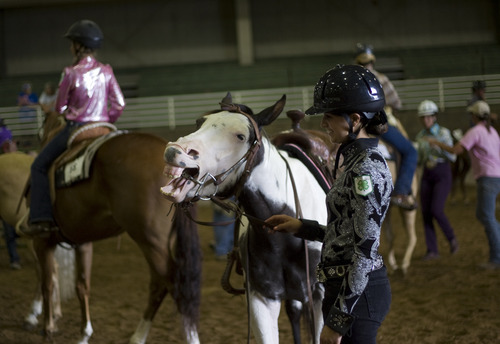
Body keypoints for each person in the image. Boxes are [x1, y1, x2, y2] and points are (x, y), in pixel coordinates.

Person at [265, 64, 392, 344]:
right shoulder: (356, 164)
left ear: (355, 119)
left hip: (357, 296)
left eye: (330, 117)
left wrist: (337, 320)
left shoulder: (365, 171)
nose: (323, 124)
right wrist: (303, 227)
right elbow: (349, 233)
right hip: (346, 289)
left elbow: (364, 249)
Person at [21, 19, 125, 237]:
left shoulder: (70, 72)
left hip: (77, 129)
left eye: (71, 43)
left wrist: (73, 111)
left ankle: (41, 218)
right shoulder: (106, 70)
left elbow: (60, 106)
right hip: (105, 128)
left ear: (78, 45)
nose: (70, 47)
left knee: (39, 166)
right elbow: (119, 104)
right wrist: (107, 119)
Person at [428, 100, 500, 270]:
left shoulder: (475, 131)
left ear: (474, 116)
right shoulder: (492, 132)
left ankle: (496, 257)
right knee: (484, 215)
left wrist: (436, 143)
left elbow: (456, 150)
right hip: (496, 176)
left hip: (487, 177)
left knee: (487, 217)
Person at [354, 43, 418, 210]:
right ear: (372, 62)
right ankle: (402, 192)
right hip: (379, 124)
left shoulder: (352, 81)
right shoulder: (381, 79)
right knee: (411, 151)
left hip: (357, 125)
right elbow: (396, 102)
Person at [415, 100, 459, 260]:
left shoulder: (444, 133)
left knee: (437, 209)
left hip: (442, 172)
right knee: (426, 212)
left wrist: (438, 145)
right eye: (423, 117)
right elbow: (419, 159)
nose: (426, 120)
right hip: (427, 172)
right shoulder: (420, 136)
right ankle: (432, 250)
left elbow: (453, 156)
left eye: (428, 117)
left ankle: (452, 238)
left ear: (434, 117)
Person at [0, 120, 22, 269]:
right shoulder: (6, 131)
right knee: (10, 227)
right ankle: (14, 258)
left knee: (9, 227)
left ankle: (15, 258)